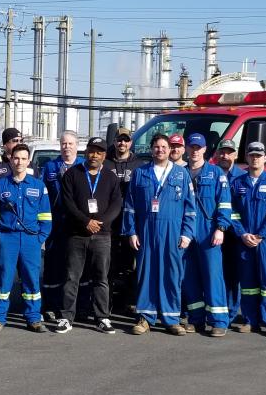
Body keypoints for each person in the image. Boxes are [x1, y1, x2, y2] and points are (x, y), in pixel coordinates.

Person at [123, 133, 195, 335]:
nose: (160, 150)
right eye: (157, 147)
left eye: (164, 147)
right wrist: (131, 232)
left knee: (171, 274)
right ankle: (145, 318)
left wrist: (187, 233)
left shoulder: (181, 174)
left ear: (169, 150)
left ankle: (171, 319)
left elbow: (190, 207)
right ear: (151, 149)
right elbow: (129, 206)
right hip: (146, 231)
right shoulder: (140, 173)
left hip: (172, 232)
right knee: (146, 273)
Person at [56, 137, 123, 334]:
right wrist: (86, 221)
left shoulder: (110, 177)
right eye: (92, 151)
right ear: (86, 152)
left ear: (104, 156)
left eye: (99, 152)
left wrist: (100, 223)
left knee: (101, 278)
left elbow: (117, 204)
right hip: (76, 234)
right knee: (71, 277)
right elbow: (68, 203)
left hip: (102, 236)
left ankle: (102, 317)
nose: (94, 155)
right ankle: (66, 317)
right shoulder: (72, 174)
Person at [0, 143, 52, 333]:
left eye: (23, 158)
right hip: (7, 239)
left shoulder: (38, 186)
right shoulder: (0, 185)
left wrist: (40, 238)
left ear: (29, 161)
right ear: (10, 160)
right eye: (16, 158)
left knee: (31, 280)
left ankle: (33, 318)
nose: (19, 162)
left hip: (31, 240)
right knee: (2, 279)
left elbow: (46, 216)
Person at [229, 142, 266, 337]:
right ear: (246, 157)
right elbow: (232, 212)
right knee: (248, 284)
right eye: (251, 155)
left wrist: (261, 235)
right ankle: (250, 319)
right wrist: (242, 234)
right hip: (244, 241)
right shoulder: (237, 183)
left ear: (265, 158)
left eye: (258, 155)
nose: (255, 158)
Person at [183, 133, 232, 336]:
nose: (195, 151)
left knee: (213, 276)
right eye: (192, 147)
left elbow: (225, 203)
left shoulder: (216, 173)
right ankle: (196, 319)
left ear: (205, 150)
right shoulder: (180, 173)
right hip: (186, 230)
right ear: (187, 149)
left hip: (208, 230)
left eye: (199, 147)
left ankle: (219, 321)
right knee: (189, 276)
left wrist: (221, 228)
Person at [41, 130, 85, 318]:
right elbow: (43, 193)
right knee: (53, 265)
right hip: (55, 223)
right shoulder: (50, 166)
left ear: (77, 145)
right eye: (63, 144)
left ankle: (79, 307)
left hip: (77, 223)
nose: (67, 147)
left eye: (70, 143)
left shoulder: (83, 165)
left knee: (76, 266)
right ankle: (51, 305)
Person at [105, 127, 145, 313]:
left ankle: (129, 301)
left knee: (130, 263)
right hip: (109, 223)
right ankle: (107, 302)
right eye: (119, 140)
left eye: (126, 140)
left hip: (130, 221)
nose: (122, 143)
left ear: (131, 142)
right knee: (108, 263)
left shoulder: (140, 165)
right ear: (114, 142)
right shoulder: (105, 163)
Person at [216, 138, 246, 326]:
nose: (225, 155)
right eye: (222, 152)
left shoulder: (242, 177)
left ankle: (231, 311)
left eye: (229, 152)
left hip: (235, 234)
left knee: (233, 275)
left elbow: (243, 209)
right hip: (215, 231)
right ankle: (216, 308)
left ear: (235, 154)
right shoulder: (211, 173)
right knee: (216, 273)